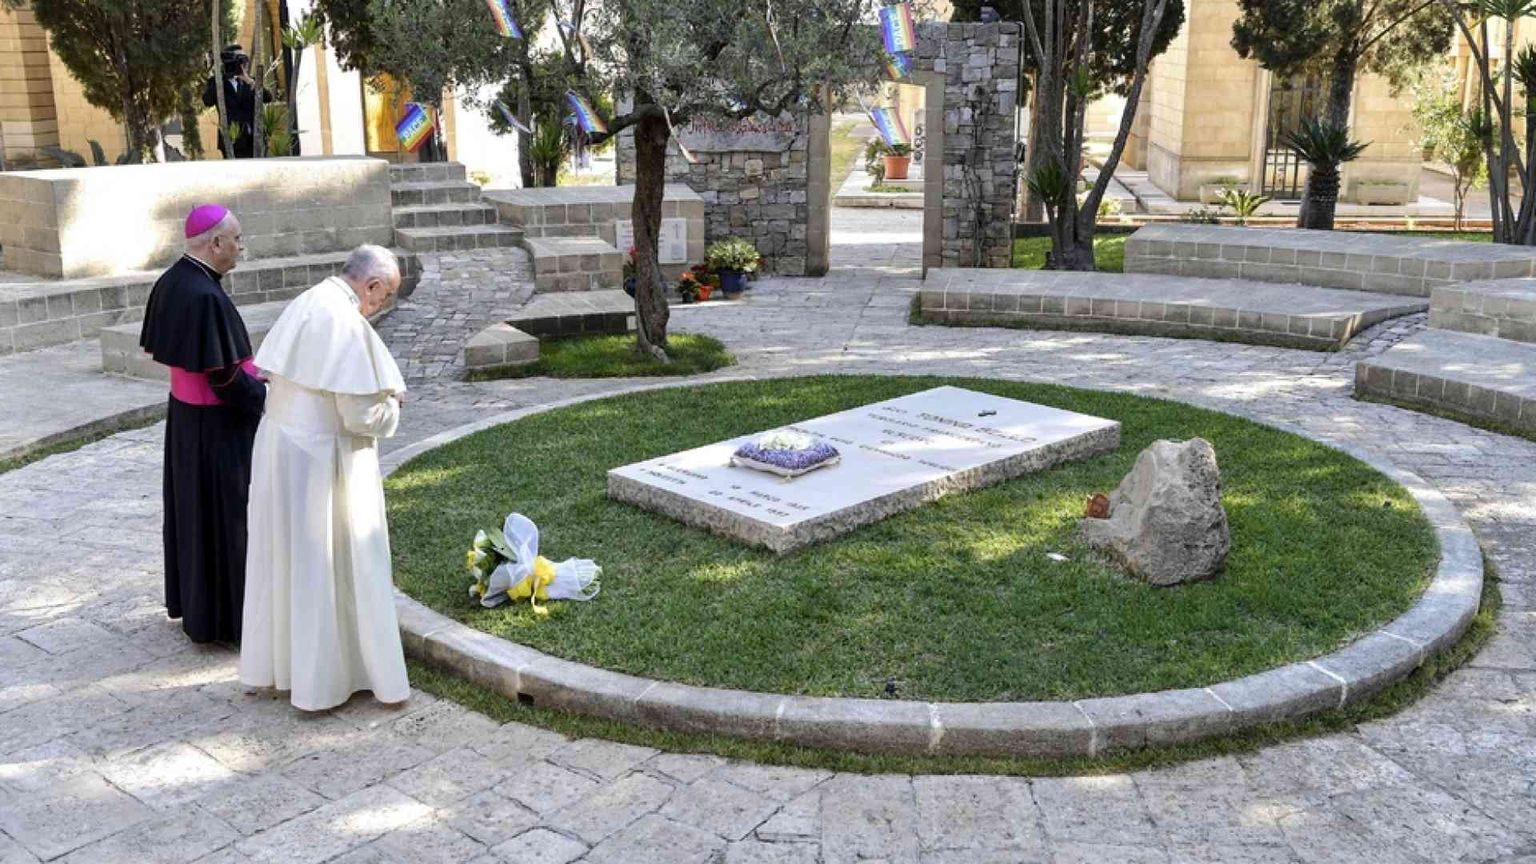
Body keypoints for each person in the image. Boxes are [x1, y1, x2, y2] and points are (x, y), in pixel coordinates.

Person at [240, 245, 410, 711]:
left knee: (289, 561)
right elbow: (359, 415)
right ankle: (328, 680)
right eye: (386, 295)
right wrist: (393, 405)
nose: (381, 305)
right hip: (321, 461)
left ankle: (286, 668)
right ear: (372, 286)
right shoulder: (345, 321)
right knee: (325, 565)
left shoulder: (310, 300)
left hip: (282, 448)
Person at [139, 205, 267, 644]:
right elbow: (225, 375)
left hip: (186, 422)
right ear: (215, 244)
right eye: (236, 238)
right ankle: (229, 621)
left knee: (193, 517)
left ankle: (199, 612)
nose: (241, 246)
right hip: (217, 428)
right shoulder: (205, 296)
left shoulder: (173, 280)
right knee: (226, 520)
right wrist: (263, 398)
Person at [202, 45, 268, 158]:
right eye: (240, 60)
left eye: (244, 59)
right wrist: (216, 75)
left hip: (253, 139)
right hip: (231, 140)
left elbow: (268, 97)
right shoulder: (217, 82)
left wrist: (248, 80)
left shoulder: (251, 81)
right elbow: (207, 101)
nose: (244, 63)